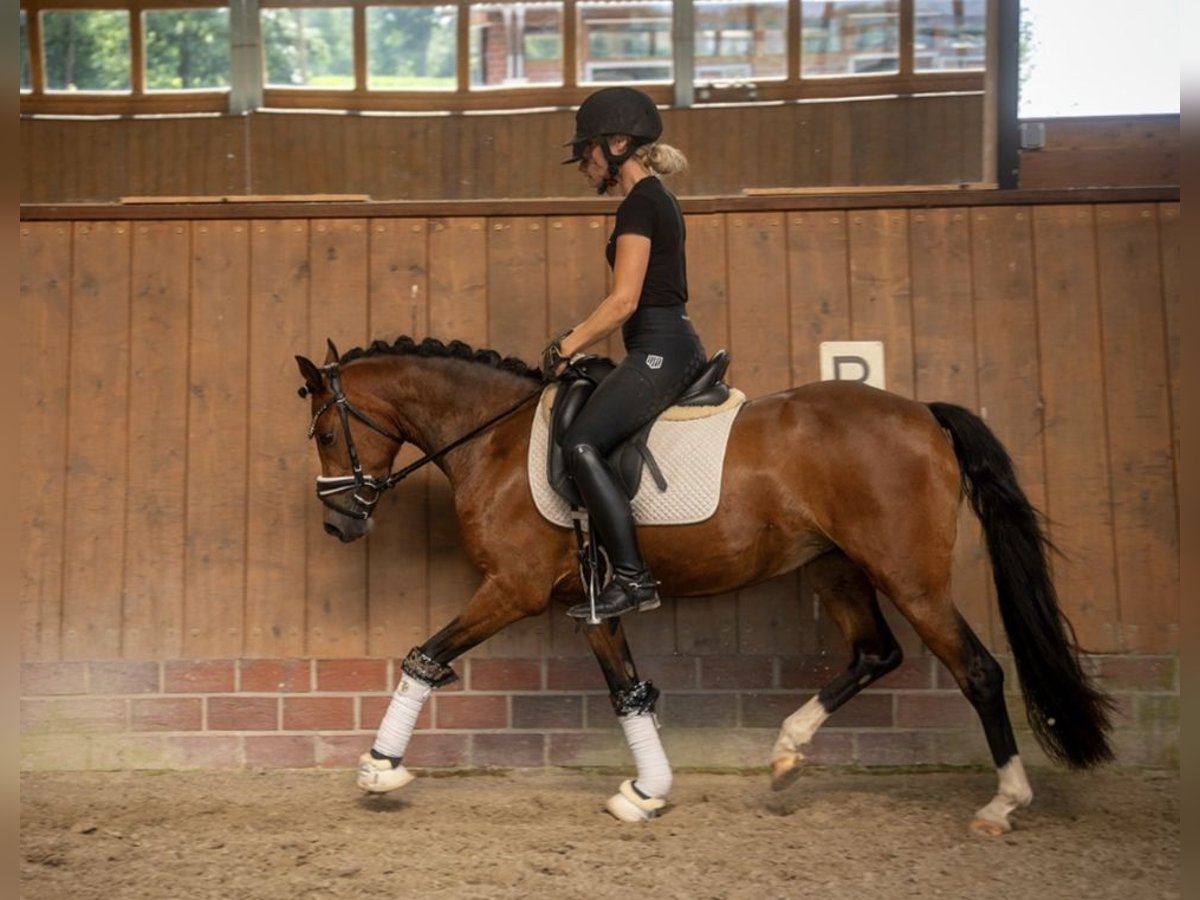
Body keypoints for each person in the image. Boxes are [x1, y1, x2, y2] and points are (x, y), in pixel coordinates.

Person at [543, 86, 708, 621]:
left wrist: (564, 345)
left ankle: (634, 579)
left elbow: (623, 301)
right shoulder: (654, 199)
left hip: (662, 349)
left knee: (584, 444)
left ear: (617, 144)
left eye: (587, 151)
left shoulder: (641, 204)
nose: (583, 164)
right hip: (663, 343)